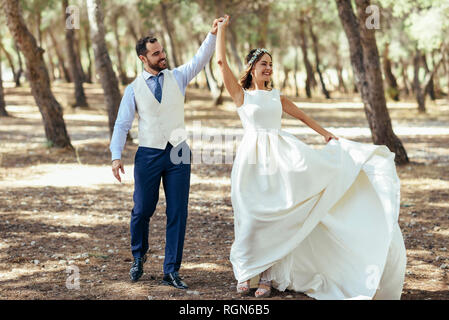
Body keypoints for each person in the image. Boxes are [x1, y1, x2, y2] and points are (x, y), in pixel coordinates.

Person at [216, 15, 406, 299]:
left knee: (276, 214)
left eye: (271, 64)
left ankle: (267, 276)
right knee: (251, 215)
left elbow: (303, 116)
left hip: (279, 157)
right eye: (263, 64)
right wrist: (221, 30)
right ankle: (245, 272)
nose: (268, 68)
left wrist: (326, 134)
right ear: (252, 68)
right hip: (251, 161)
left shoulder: (276, 97)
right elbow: (220, 63)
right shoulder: (241, 95)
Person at [109, 17, 224, 289]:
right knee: (142, 210)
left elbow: (200, 58)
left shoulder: (178, 77)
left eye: (162, 51)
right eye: (156, 53)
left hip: (179, 153)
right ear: (143, 58)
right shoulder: (133, 89)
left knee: (178, 212)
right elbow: (122, 124)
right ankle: (139, 255)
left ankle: (171, 270)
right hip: (148, 154)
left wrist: (212, 34)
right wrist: (116, 155)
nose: (163, 56)